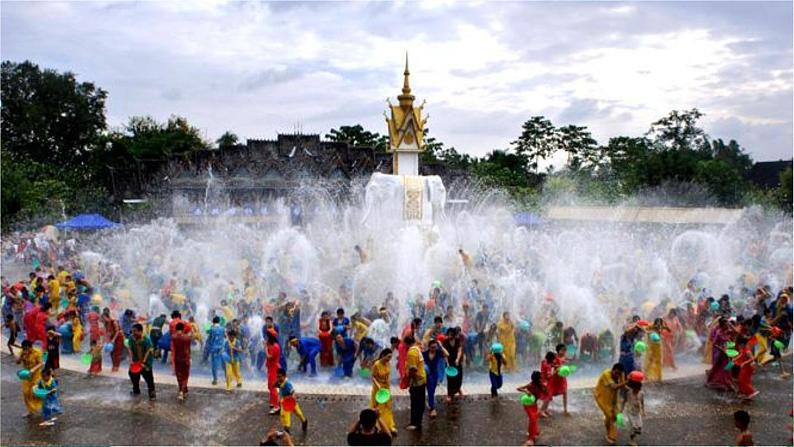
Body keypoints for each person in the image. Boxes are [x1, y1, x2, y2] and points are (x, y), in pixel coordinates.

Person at [593, 363, 626, 446]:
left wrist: (633, 387)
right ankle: (612, 436)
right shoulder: (606, 374)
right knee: (611, 416)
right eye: (616, 373)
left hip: (613, 397)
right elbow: (614, 386)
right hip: (602, 397)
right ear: (612, 370)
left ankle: (609, 432)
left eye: (619, 374)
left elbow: (623, 385)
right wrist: (627, 382)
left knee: (614, 415)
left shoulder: (621, 373)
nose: (618, 376)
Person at [370, 349, 396, 435]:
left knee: (387, 407)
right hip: (378, 389)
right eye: (388, 357)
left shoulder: (388, 364)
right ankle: (378, 426)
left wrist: (388, 387)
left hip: (386, 388)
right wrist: (379, 386)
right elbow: (373, 377)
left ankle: (389, 425)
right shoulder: (376, 365)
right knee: (378, 408)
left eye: (391, 357)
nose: (389, 359)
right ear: (383, 355)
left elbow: (388, 376)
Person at [516, 371, 545, 446]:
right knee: (533, 419)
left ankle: (533, 432)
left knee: (533, 420)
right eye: (540, 377)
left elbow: (543, 396)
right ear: (537, 379)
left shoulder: (541, 386)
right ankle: (530, 439)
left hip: (535, 405)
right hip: (528, 405)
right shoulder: (530, 385)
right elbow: (518, 388)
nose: (542, 378)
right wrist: (525, 391)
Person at [127, 323, 155, 400]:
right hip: (135, 361)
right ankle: (136, 390)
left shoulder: (146, 339)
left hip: (145, 362)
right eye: (132, 331)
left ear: (140, 331)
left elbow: (148, 351)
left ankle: (152, 393)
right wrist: (131, 360)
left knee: (149, 378)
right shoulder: (131, 338)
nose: (133, 333)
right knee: (132, 374)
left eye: (135, 331)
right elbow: (129, 348)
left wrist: (143, 363)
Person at [275, 368, 308, 434]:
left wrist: (292, 399)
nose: (278, 378)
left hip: (290, 402)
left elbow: (293, 392)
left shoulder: (287, 384)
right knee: (284, 415)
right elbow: (277, 386)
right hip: (284, 402)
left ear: (284, 376)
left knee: (298, 413)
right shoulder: (280, 382)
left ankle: (304, 421)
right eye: (277, 377)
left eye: (280, 377)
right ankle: (286, 428)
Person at [17, 340, 44, 418]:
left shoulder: (37, 352)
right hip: (26, 375)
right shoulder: (22, 352)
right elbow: (17, 362)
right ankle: (30, 411)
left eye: (26, 349)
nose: (25, 350)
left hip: (36, 375)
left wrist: (33, 370)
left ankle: (43, 405)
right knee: (25, 393)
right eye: (23, 349)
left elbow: (41, 363)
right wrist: (21, 356)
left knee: (34, 392)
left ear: (30, 347)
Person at [404, 334, 426, 431]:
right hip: (422, 379)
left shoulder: (412, 353)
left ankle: (414, 423)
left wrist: (410, 381)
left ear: (406, 344)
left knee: (415, 402)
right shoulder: (417, 349)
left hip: (417, 381)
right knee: (420, 402)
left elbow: (413, 369)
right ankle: (418, 422)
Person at [422, 339, 447, 418]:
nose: (434, 349)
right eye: (432, 347)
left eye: (435, 347)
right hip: (427, 374)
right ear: (429, 347)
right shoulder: (425, 354)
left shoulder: (438, 353)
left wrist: (441, 346)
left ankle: (430, 403)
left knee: (432, 390)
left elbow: (447, 354)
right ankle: (432, 408)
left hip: (435, 374)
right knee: (430, 389)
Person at [621, 372, 645, 446]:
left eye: (639, 389)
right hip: (630, 413)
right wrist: (621, 410)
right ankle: (631, 440)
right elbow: (624, 401)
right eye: (636, 389)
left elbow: (642, 402)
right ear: (633, 388)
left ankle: (633, 436)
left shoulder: (641, 393)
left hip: (637, 413)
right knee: (634, 427)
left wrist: (643, 411)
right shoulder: (629, 393)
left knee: (639, 427)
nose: (637, 390)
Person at [442, 328, 464, 402]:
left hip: (457, 361)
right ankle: (449, 394)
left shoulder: (458, 341)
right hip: (449, 361)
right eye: (449, 334)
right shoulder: (445, 342)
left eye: (451, 334)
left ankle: (458, 389)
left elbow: (460, 350)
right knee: (450, 379)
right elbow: (444, 354)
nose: (450, 336)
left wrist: (457, 359)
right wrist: (447, 363)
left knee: (459, 377)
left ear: (454, 335)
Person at [172, 322, 192, 400]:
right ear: (183, 329)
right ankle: (181, 391)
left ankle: (184, 390)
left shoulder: (173, 337)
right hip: (185, 359)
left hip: (177, 359)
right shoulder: (187, 338)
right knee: (185, 376)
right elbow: (189, 347)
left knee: (179, 375)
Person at [549, 344, 570, 416]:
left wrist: (566, 364)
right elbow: (550, 365)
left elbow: (565, 364)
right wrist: (557, 366)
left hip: (562, 378)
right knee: (551, 393)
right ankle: (544, 407)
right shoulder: (555, 357)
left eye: (565, 350)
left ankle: (565, 409)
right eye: (562, 350)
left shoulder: (564, 357)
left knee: (565, 392)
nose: (564, 352)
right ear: (558, 350)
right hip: (555, 377)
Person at [266, 330, 282, 415]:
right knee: (270, 386)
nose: (267, 337)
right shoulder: (271, 344)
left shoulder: (275, 346)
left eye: (268, 336)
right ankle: (273, 402)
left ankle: (277, 407)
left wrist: (265, 349)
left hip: (274, 369)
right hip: (270, 368)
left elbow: (269, 356)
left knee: (273, 387)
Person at [206, 316, 226, 385]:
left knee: (214, 364)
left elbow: (209, 338)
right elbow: (225, 336)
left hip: (214, 348)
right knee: (224, 363)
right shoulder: (222, 328)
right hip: (221, 348)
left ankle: (215, 379)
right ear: (219, 321)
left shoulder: (212, 329)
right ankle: (227, 377)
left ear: (213, 322)